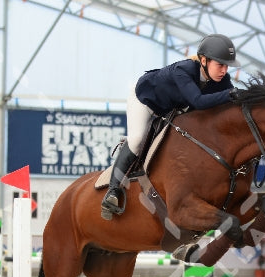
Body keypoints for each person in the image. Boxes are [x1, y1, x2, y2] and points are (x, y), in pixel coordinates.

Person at [100, 34, 241, 220]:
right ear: (204, 61)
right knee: (136, 140)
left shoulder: (221, 80)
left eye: (226, 66)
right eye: (220, 65)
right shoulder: (184, 70)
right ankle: (112, 191)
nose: (224, 70)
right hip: (144, 102)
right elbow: (198, 101)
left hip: (170, 110)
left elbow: (232, 102)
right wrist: (231, 94)